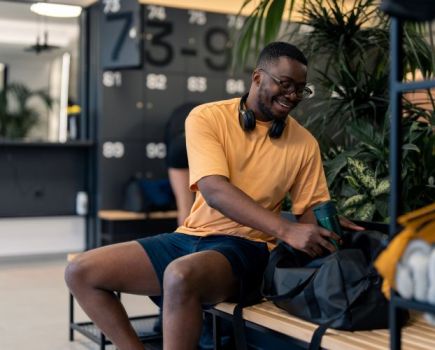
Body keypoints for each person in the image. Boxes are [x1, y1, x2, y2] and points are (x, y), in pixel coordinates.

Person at [65, 42, 363, 350]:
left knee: (180, 275)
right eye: (285, 84)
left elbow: (308, 211)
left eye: (301, 89)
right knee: (81, 272)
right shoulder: (206, 117)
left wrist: (327, 221)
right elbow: (214, 190)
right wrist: (287, 229)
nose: (293, 96)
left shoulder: (304, 143)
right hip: (189, 237)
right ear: (258, 78)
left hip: (250, 247)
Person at [165, 102, 198, 226]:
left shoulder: (176, 117)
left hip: (178, 146)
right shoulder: (208, 113)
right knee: (209, 209)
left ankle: (184, 244)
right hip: (200, 144)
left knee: (185, 209)